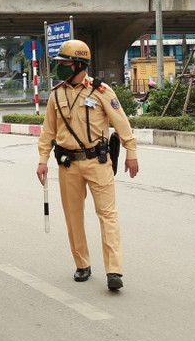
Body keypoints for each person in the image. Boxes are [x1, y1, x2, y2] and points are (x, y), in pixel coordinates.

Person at [35, 39, 139, 291]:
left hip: (97, 161)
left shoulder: (100, 91)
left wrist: (131, 152)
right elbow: (48, 131)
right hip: (68, 164)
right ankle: (82, 264)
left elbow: (121, 122)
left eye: (65, 63)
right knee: (73, 217)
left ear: (80, 65)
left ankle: (114, 270)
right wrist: (42, 160)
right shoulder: (56, 94)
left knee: (108, 215)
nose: (60, 67)